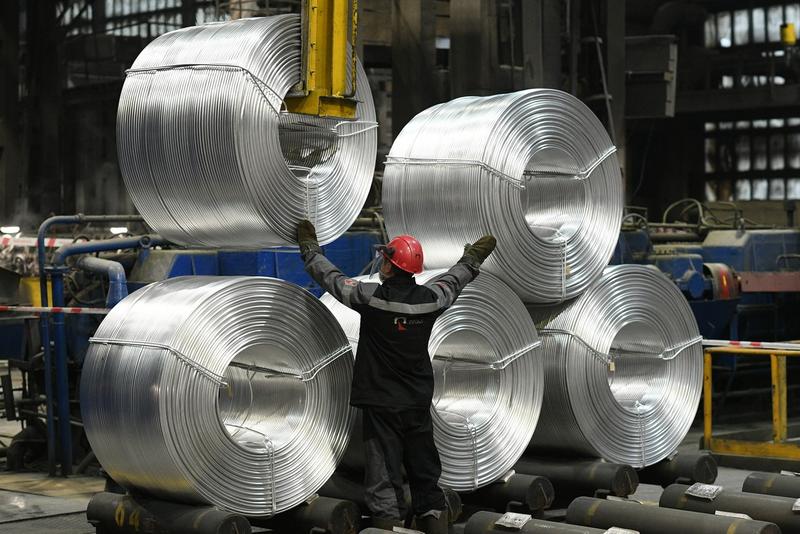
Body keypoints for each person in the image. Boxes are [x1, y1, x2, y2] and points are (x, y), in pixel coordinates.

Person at [297, 220, 496, 533]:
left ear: (390, 266)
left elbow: (333, 280)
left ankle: (388, 524)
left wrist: (311, 251)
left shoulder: (370, 298)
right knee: (425, 471)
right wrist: (471, 260)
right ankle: (434, 523)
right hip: (416, 402)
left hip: (382, 405)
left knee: (384, 477)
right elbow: (452, 282)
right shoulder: (431, 300)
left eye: (385, 261)